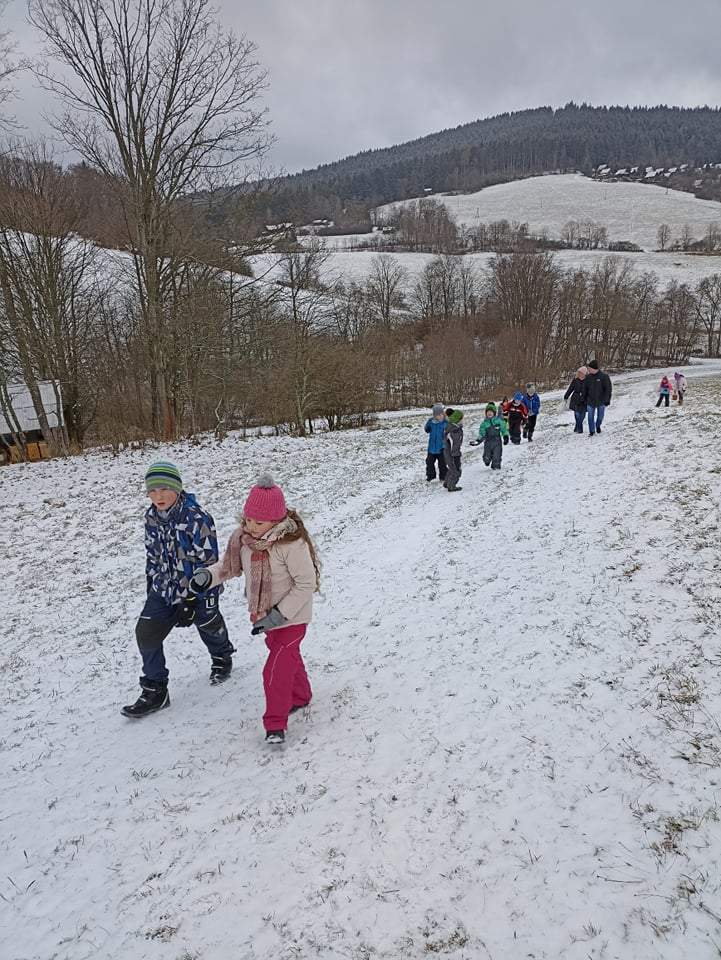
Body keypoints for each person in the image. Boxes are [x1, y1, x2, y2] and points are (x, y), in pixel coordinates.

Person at [190, 473, 320, 745]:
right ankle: (301, 696)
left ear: (277, 521)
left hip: (292, 618)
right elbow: (229, 566)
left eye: (258, 522)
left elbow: (306, 583)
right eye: (248, 519)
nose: (251, 526)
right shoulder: (245, 541)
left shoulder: (290, 545)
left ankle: (275, 724)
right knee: (287, 657)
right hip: (264, 616)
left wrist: (280, 615)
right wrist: (207, 576)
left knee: (275, 669)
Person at [121, 462, 235, 719]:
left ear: (177, 488)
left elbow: (209, 562)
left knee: (207, 625)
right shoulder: (151, 517)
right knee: (146, 633)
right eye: (152, 491)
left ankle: (222, 655)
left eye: (164, 489)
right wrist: (151, 583)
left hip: (200, 588)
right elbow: (152, 554)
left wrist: (192, 599)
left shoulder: (197, 517)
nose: (158, 496)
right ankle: (156, 690)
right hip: (164, 589)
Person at [470, 402, 509, 469]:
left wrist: (506, 436)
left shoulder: (499, 421)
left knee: (497, 455)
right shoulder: (484, 424)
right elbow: (482, 433)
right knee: (486, 456)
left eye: (491, 412)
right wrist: (478, 440)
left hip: (497, 442)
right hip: (488, 442)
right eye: (488, 412)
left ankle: (496, 466)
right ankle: (487, 460)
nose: (489, 413)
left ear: (494, 413)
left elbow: (504, 429)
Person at [582, 359, 612, 437]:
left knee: (600, 416)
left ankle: (598, 425)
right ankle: (592, 431)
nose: (588, 370)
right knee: (590, 417)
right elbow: (584, 389)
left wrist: (607, 400)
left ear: (593, 368)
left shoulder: (604, 376)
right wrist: (584, 399)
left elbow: (608, 389)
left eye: (589, 368)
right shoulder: (588, 377)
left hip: (601, 400)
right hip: (590, 400)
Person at [424, 403, 448, 482]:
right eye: (438, 415)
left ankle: (443, 477)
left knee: (442, 464)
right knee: (429, 462)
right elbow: (426, 429)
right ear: (435, 415)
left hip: (441, 447)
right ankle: (431, 476)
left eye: (441, 414)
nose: (441, 416)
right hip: (432, 447)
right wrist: (427, 426)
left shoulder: (445, 422)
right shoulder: (431, 422)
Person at [443, 408, 464, 492]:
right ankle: (451, 485)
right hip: (452, 454)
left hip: (448, 453)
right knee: (456, 470)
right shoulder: (455, 431)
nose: (463, 420)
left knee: (451, 468)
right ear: (458, 420)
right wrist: (456, 456)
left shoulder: (451, 427)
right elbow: (454, 445)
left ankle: (447, 483)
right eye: (462, 419)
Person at [564, 366, 588, 433]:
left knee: (582, 415)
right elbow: (570, 388)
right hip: (575, 399)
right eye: (578, 372)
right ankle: (580, 429)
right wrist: (566, 396)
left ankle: (577, 426)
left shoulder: (588, 380)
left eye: (580, 372)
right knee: (577, 414)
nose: (579, 373)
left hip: (584, 399)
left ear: (584, 373)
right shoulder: (575, 380)